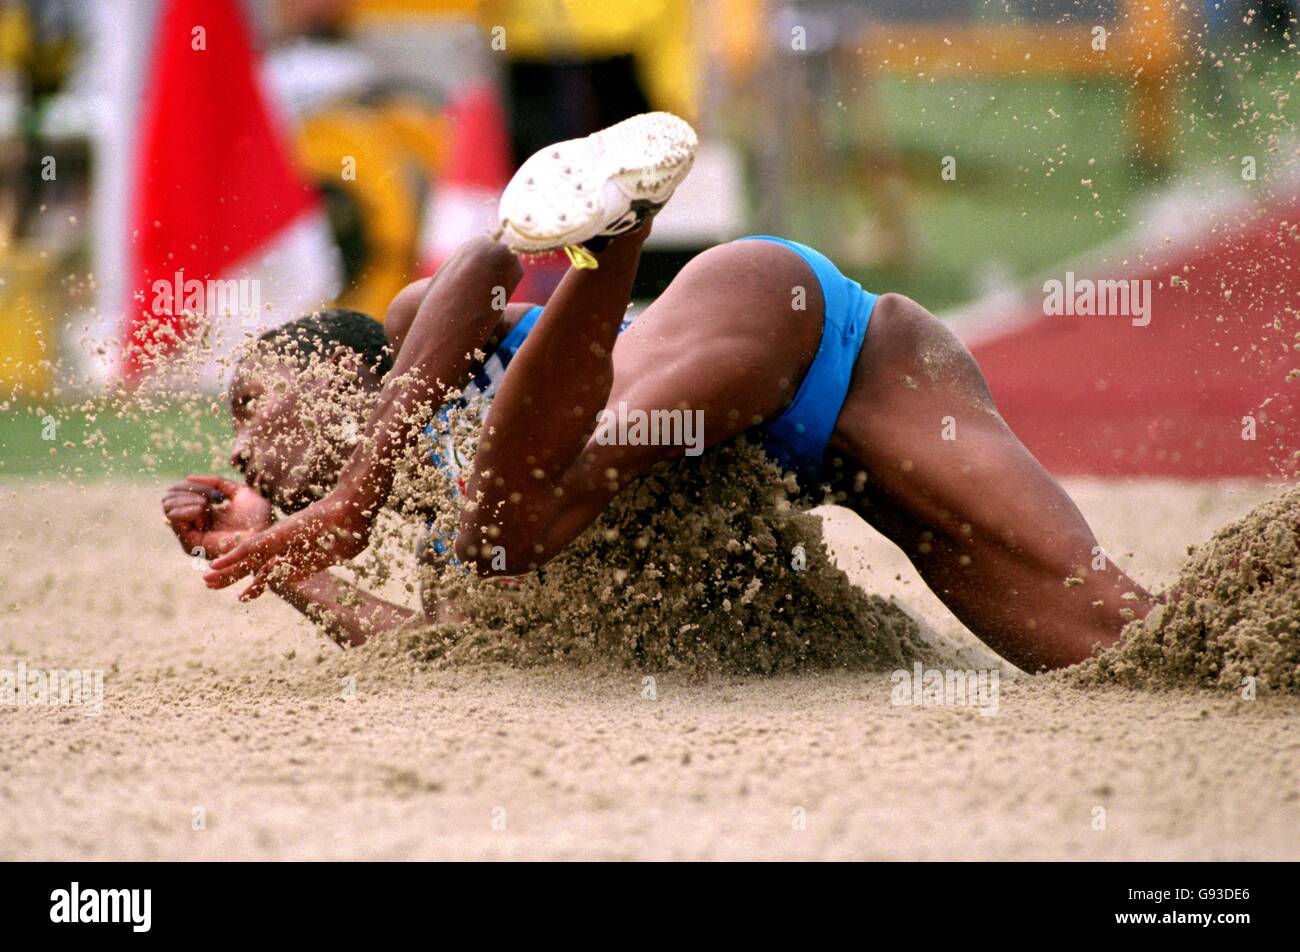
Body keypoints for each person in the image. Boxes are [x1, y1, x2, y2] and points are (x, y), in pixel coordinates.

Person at [180, 112, 1152, 670]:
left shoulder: (410, 345)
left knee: (505, 518)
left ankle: (616, 236)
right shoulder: (441, 544)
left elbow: (479, 264)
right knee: (1115, 643)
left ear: (337, 370)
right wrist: (278, 563)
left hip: (761, 314)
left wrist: (354, 498)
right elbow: (444, 651)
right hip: (865, 391)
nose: (237, 445)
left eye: (250, 403)